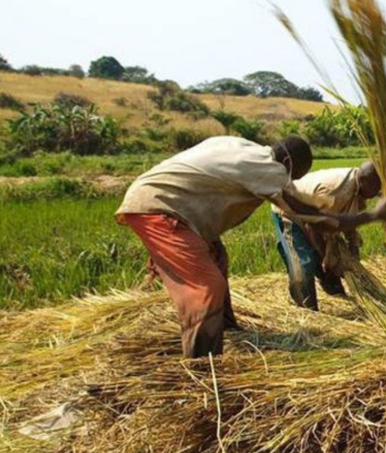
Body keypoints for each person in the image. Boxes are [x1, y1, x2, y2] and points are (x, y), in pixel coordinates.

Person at [116, 135, 342, 358]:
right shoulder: (270, 168)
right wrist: (356, 219)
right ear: (287, 164)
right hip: (161, 206)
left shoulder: (247, 149)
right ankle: (203, 364)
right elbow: (298, 209)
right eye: (292, 175)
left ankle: (225, 327)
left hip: (168, 200)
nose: (288, 180)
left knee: (217, 257)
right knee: (206, 288)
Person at [271, 161, 386, 310]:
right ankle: (306, 308)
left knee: (332, 257)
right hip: (289, 211)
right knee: (304, 261)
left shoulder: (360, 186)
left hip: (317, 215)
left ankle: (336, 292)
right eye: (377, 186)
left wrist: (353, 248)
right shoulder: (336, 191)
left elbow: (349, 218)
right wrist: (325, 254)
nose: (379, 190)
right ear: (365, 181)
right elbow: (313, 227)